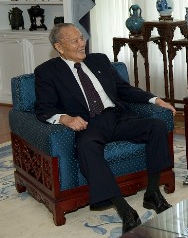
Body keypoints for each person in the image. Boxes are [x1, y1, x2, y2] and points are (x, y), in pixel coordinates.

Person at [34, 23, 177, 233]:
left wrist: (155, 100)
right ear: (59, 47)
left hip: (117, 117)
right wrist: (65, 118)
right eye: (74, 41)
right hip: (88, 125)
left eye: (82, 38)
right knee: (86, 148)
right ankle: (124, 209)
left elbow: (124, 90)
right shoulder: (47, 72)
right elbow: (43, 108)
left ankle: (153, 193)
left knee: (156, 126)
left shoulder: (98, 60)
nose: (82, 43)